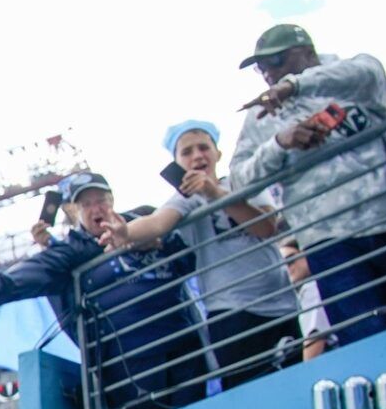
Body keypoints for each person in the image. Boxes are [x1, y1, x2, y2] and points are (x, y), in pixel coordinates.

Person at [229, 24, 386, 342]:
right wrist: (280, 143)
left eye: (276, 61)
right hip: (330, 244)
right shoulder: (262, 117)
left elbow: (365, 72)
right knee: (367, 340)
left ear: (307, 52)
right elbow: (238, 181)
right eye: (261, 67)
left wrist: (293, 86)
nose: (267, 73)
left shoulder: (356, 74)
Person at [0, 173, 205, 409]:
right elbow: (38, 270)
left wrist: (153, 242)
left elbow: (188, 257)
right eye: (86, 204)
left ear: (112, 200)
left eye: (101, 200)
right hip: (129, 365)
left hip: (183, 346)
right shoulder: (74, 248)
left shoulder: (144, 220)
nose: (96, 209)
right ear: (75, 211)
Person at [109, 121, 296, 389]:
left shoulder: (242, 181)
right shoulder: (183, 200)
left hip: (281, 304)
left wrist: (213, 192)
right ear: (176, 161)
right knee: (250, 396)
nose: (197, 156)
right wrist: (123, 232)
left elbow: (266, 227)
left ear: (218, 153)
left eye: (203, 148)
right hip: (230, 312)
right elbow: (157, 223)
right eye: (186, 152)